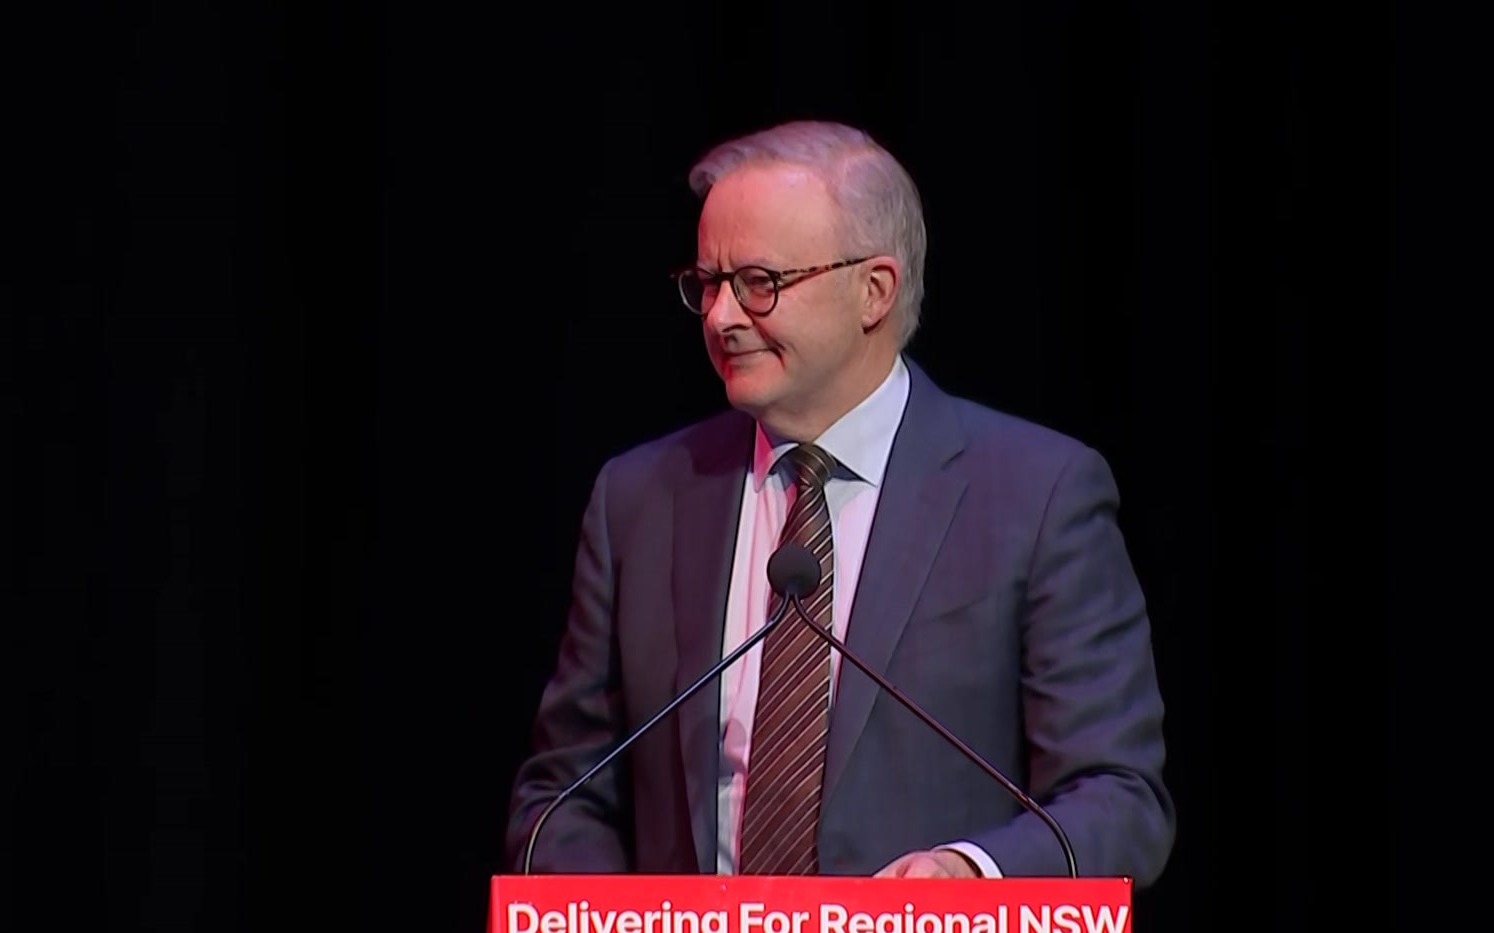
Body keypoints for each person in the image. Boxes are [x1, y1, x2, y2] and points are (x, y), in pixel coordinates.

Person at [503, 119, 1173, 885]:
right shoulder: (641, 500)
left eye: (760, 283)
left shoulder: (1037, 497)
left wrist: (970, 874)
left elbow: (1119, 800)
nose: (721, 317)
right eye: (707, 283)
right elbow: (563, 796)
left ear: (874, 291)